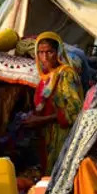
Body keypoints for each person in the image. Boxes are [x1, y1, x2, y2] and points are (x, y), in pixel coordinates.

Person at [26, 31, 83, 172]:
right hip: (45, 138)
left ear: (58, 52)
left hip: (62, 138)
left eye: (49, 52)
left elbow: (74, 111)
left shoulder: (66, 74)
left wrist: (43, 120)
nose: (45, 57)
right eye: (40, 52)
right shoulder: (44, 79)